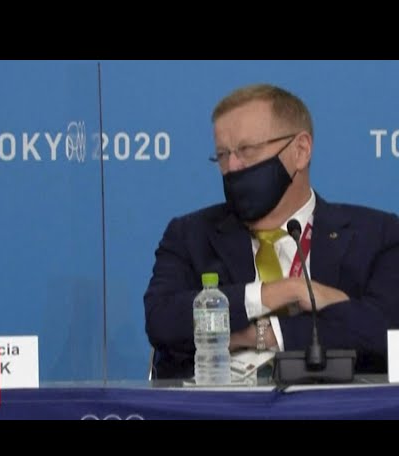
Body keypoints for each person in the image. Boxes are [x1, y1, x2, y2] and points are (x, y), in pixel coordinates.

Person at [144, 83, 399, 380]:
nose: (232, 167)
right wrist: (283, 291)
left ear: (300, 150)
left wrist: (261, 334)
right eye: (222, 155)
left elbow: (386, 331)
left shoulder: (377, 235)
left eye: (246, 150)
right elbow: (162, 321)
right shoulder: (190, 235)